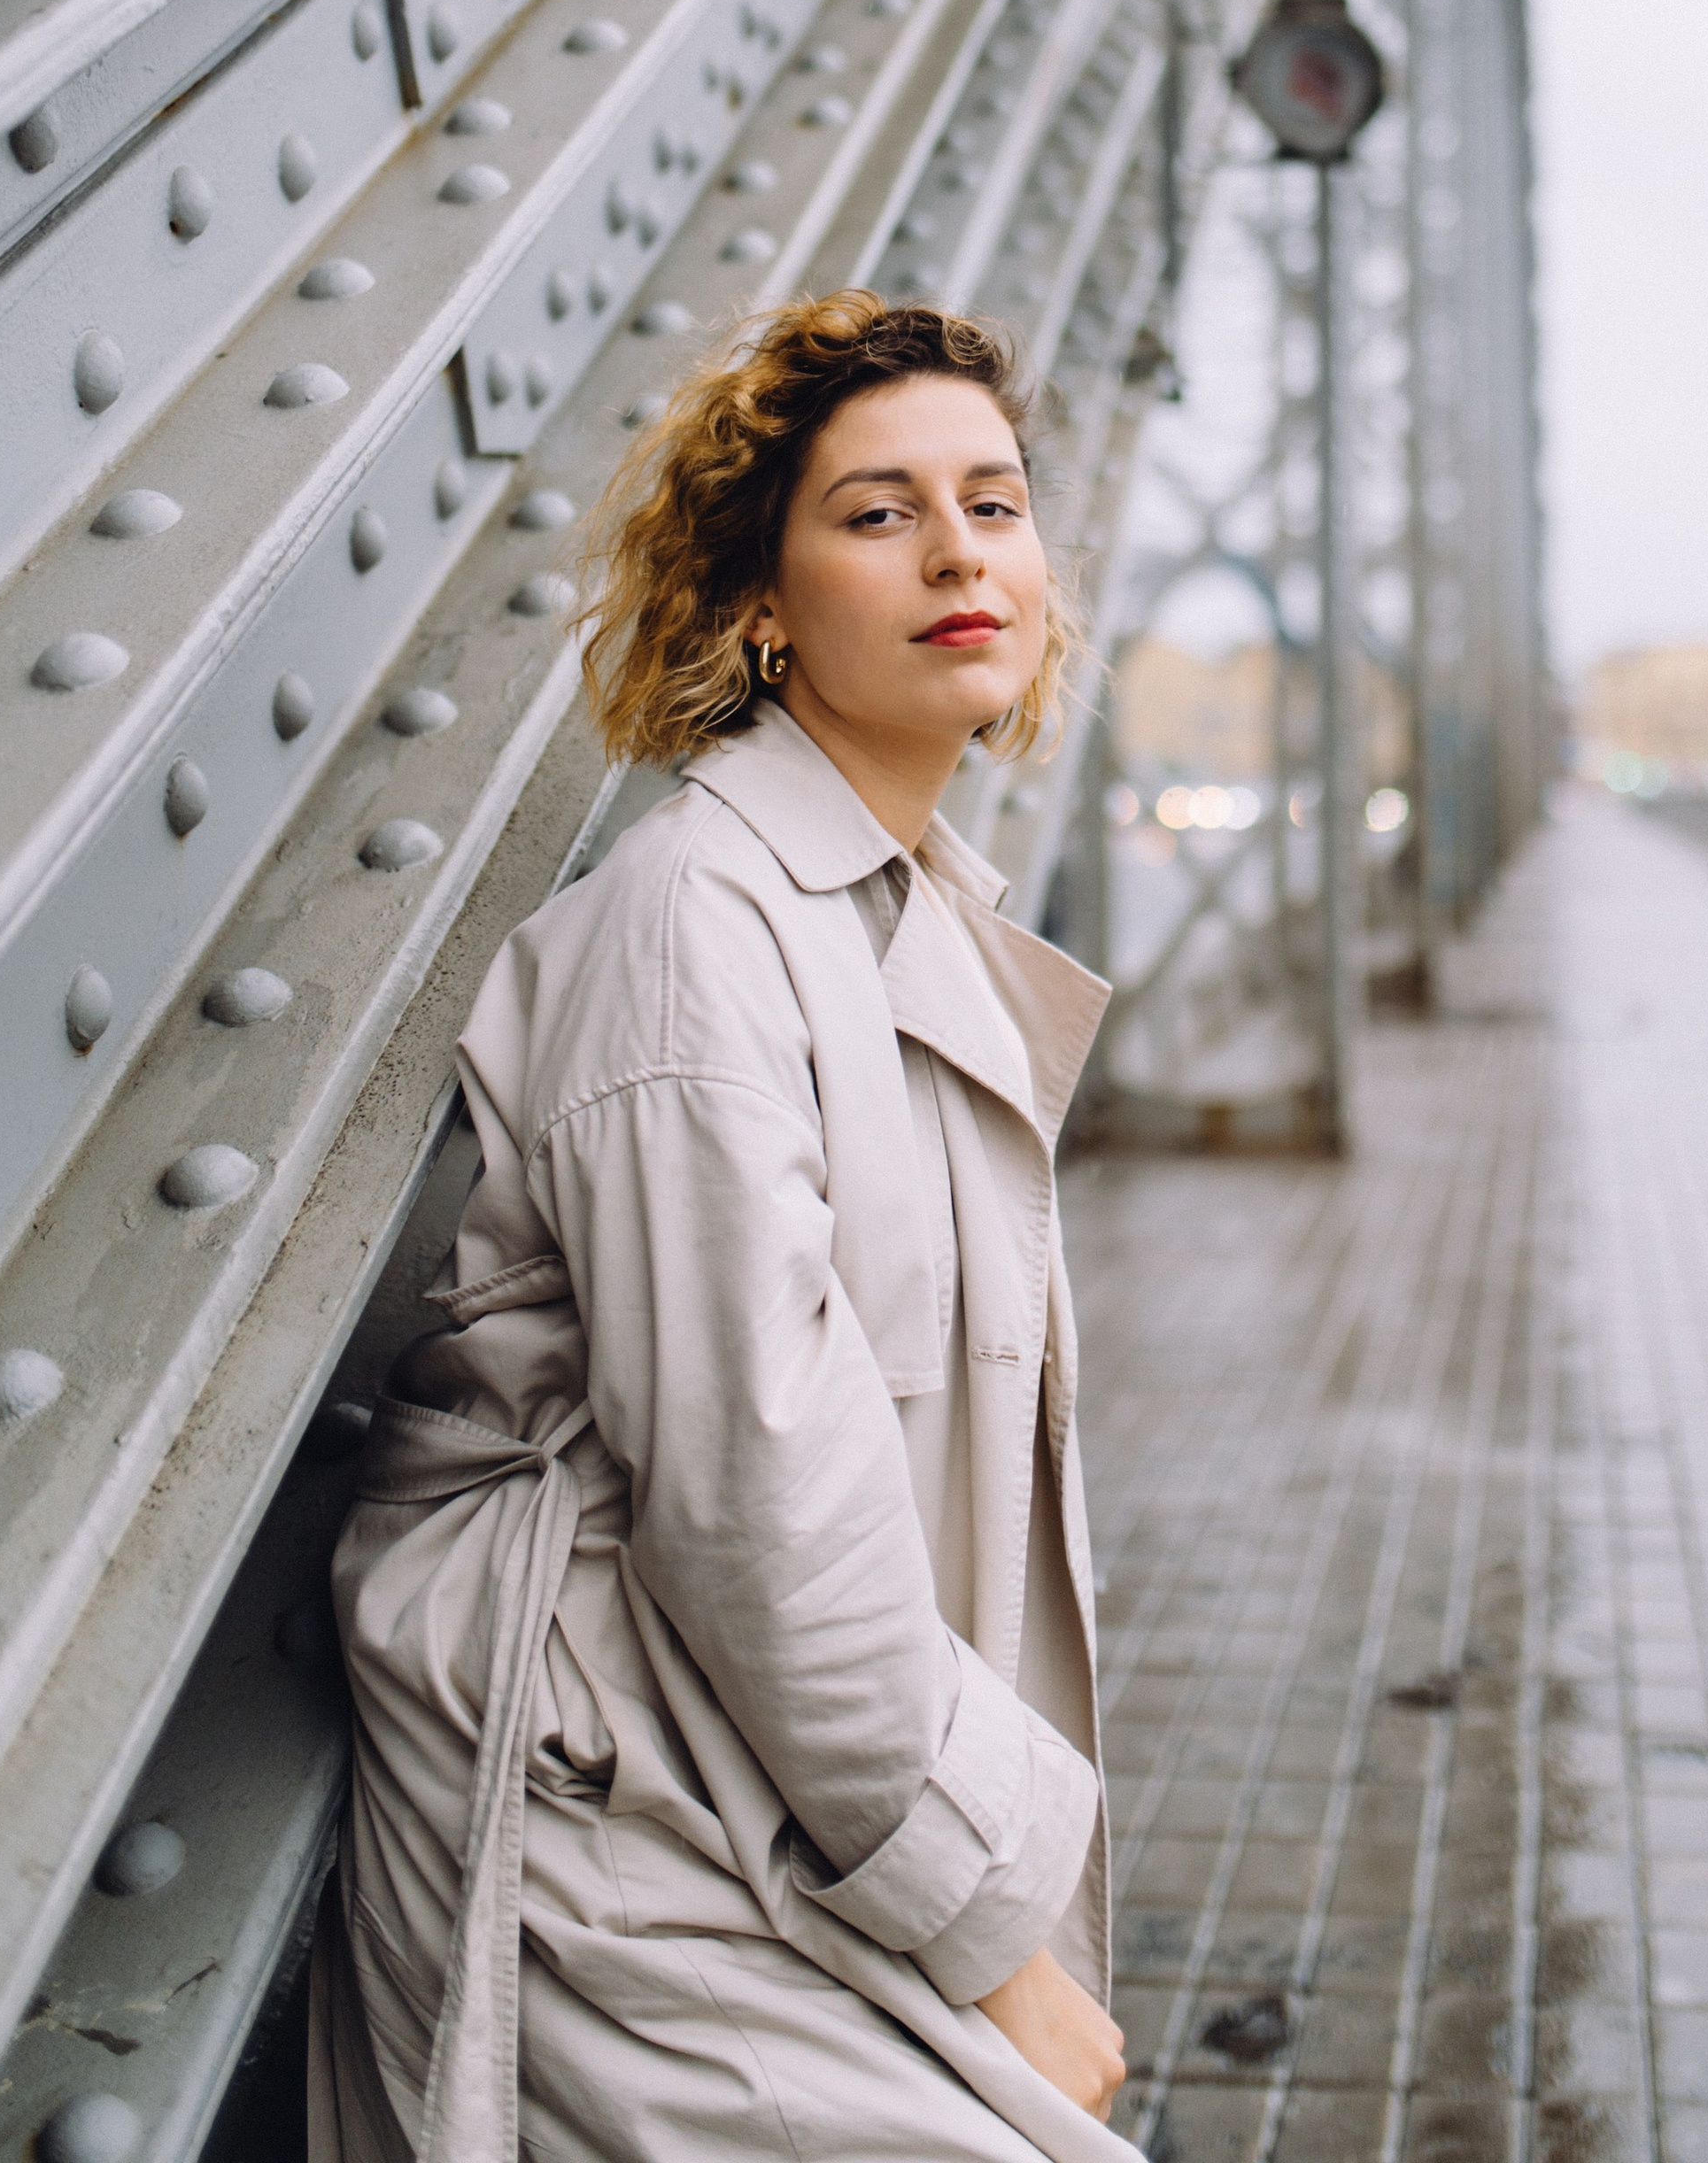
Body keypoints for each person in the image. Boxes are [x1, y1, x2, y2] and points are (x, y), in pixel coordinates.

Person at [311, 291, 1128, 2162]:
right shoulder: (699, 930)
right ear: (758, 603)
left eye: (993, 503)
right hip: (626, 1824)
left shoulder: (880, 904)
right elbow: (756, 1496)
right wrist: (996, 1938)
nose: (958, 555)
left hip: (746, 1784)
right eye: (876, 513)